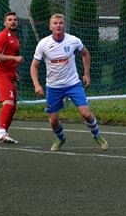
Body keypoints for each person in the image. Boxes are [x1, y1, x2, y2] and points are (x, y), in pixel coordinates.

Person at [30, 14, 108, 152]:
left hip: (73, 84)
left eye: (61, 23)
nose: (58, 25)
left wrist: (86, 74)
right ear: (50, 26)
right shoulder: (43, 43)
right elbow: (34, 66)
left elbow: (85, 53)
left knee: (86, 113)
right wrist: (37, 85)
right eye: (55, 23)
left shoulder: (73, 40)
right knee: (53, 121)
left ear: (64, 25)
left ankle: (97, 135)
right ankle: (61, 138)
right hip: (53, 87)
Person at [0, 11, 23, 144]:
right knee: (8, 103)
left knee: (13, 106)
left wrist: (15, 72)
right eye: (9, 20)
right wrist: (14, 58)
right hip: (0, 74)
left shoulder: (15, 37)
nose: (12, 21)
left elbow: (10, 58)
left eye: (15, 20)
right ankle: (1, 132)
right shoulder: (2, 36)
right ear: (5, 23)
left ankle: (4, 133)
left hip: (9, 75)